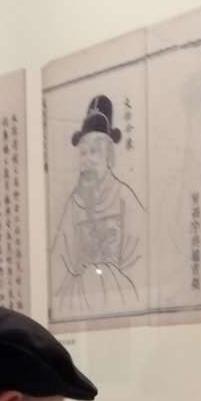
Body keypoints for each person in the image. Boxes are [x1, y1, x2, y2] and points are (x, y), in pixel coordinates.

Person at [50, 94, 146, 312]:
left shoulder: (125, 199)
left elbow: (139, 267)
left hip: (119, 305)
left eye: (94, 151)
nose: (87, 160)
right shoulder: (74, 204)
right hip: (78, 305)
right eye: (83, 153)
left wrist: (104, 281)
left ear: (109, 156)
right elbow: (60, 266)